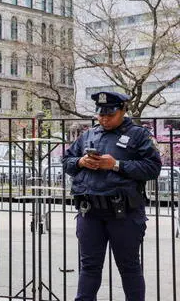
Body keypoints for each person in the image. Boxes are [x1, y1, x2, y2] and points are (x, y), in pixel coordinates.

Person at [62, 91, 161, 301]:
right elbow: (66, 162)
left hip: (123, 213)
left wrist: (116, 164)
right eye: (101, 114)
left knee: (129, 267)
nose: (104, 119)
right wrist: (80, 162)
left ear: (123, 111)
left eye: (110, 114)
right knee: (88, 267)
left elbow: (152, 168)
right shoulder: (89, 134)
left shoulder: (139, 135)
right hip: (90, 212)